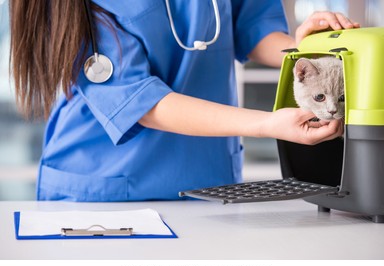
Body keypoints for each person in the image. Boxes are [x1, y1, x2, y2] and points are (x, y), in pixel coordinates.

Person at [9, 0, 358, 202]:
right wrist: (267, 125)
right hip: (102, 185)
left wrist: (309, 49)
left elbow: (252, 27)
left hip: (205, 180)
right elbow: (140, 102)